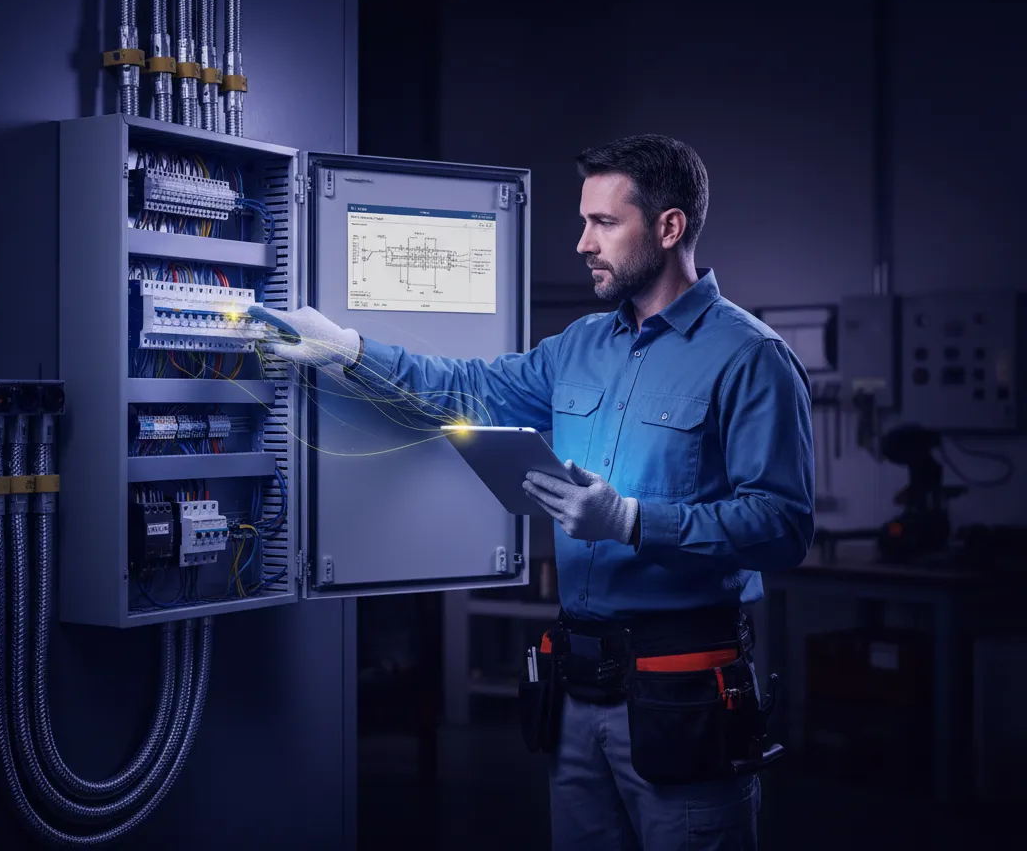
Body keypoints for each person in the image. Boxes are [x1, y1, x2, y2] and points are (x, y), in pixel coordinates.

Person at [267, 134, 815, 851]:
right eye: (583, 221)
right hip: (580, 693)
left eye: (604, 223)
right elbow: (468, 388)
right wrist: (350, 352)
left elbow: (781, 524)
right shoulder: (578, 347)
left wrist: (630, 521)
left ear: (670, 227)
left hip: (682, 694)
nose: (583, 242)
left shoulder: (751, 357)